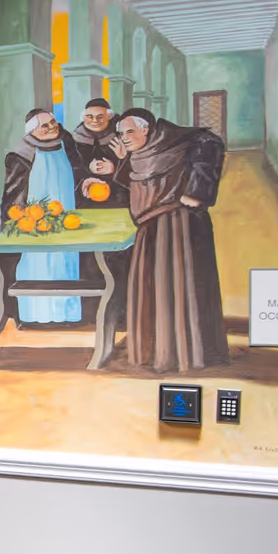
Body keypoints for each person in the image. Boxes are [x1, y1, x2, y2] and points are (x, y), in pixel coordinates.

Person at [114, 107, 228, 371]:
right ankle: (157, 351)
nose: (124, 138)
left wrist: (198, 192)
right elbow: (144, 185)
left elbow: (211, 143)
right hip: (151, 227)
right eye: (120, 134)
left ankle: (188, 353)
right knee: (155, 287)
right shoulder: (142, 152)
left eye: (129, 131)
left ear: (146, 129)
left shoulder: (177, 142)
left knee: (182, 285)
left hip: (180, 226)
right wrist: (121, 163)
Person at [2, 108, 82, 324]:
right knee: (38, 267)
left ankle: (68, 316)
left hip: (66, 220)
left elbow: (78, 172)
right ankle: (35, 317)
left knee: (66, 264)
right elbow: (13, 195)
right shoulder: (21, 155)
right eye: (44, 125)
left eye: (53, 122)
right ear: (32, 131)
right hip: (37, 226)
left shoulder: (66, 143)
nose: (52, 127)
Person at [71, 98, 128, 208]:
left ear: (109, 116)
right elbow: (71, 167)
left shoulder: (121, 135)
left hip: (117, 194)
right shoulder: (75, 139)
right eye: (90, 116)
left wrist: (114, 168)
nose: (95, 120)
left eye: (100, 117)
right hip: (87, 192)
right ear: (84, 117)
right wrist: (88, 168)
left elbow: (134, 164)